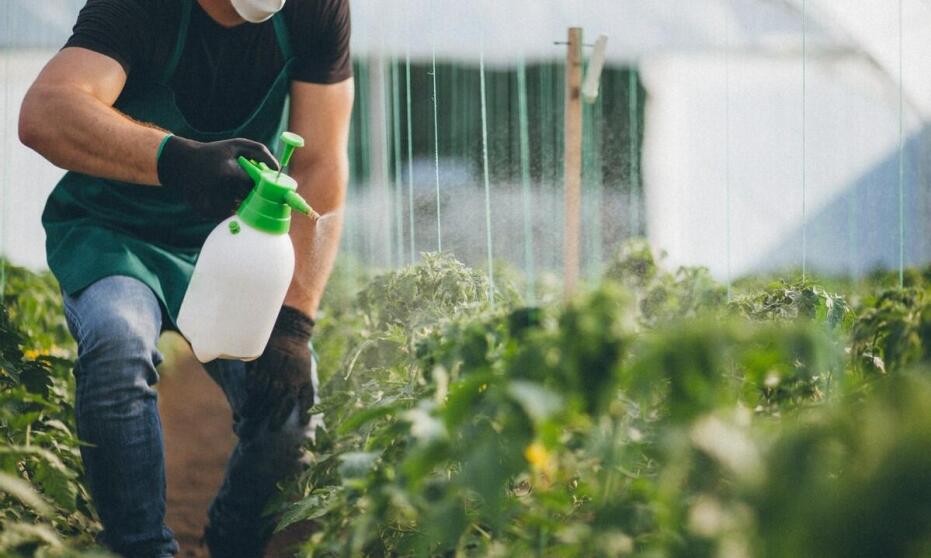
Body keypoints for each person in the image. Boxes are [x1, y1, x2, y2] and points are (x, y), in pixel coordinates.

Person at [18, 0, 353, 555]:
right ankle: (140, 546)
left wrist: (293, 323)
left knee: (289, 407)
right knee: (116, 345)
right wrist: (174, 159)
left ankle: (232, 542)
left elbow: (319, 159)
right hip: (114, 234)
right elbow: (47, 111)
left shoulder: (316, 9)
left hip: (234, 246)